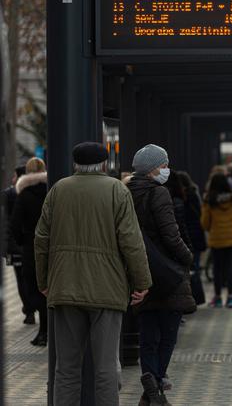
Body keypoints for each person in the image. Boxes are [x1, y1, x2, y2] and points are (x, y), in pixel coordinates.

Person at [34, 142, 152, 406]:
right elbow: (131, 241)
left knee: (65, 368)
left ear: (75, 164)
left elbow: (41, 239)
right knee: (106, 367)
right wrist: (142, 282)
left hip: (64, 288)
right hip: (107, 290)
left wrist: (44, 281)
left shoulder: (58, 190)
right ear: (103, 164)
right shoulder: (116, 190)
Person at [127, 144, 195, 405]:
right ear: (154, 168)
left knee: (147, 333)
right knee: (167, 334)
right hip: (167, 271)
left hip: (139, 270)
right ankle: (154, 381)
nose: (167, 169)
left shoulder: (126, 192)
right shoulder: (159, 193)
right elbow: (171, 234)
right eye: (164, 165)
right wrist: (188, 257)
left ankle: (151, 391)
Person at [10, 158, 48, 345]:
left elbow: (15, 225)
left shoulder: (23, 195)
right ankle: (51, 330)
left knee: (34, 286)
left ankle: (43, 331)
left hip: (31, 246)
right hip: (51, 246)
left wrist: (21, 242)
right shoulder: (52, 190)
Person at [201, 173, 232, 308]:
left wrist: (210, 228)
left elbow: (205, 222)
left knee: (217, 269)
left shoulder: (209, 200)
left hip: (216, 238)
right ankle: (231, 298)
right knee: (229, 267)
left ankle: (218, 298)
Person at [3, 165, 35, 324]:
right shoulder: (39, 190)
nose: (12, 179)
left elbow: (9, 223)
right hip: (32, 245)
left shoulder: (10, 194)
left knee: (20, 279)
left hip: (15, 245)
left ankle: (28, 310)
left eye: (15, 176)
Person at [177, 171, 207, 304]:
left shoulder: (180, 198)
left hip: (186, 236)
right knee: (195, 267)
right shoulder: (194, 194)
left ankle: (188, 297)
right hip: (197, 235)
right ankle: (196, 296)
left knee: (187, 268)